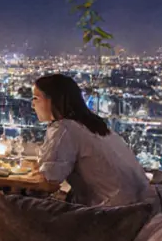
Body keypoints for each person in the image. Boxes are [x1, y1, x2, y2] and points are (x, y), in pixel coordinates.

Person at [32, 73, 148, 207]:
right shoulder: (93, 124)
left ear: (53, 100)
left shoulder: (65, 128)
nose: (32, 105)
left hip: (113, 211)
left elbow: (51, 177)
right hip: (137, 204)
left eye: (36, 98)